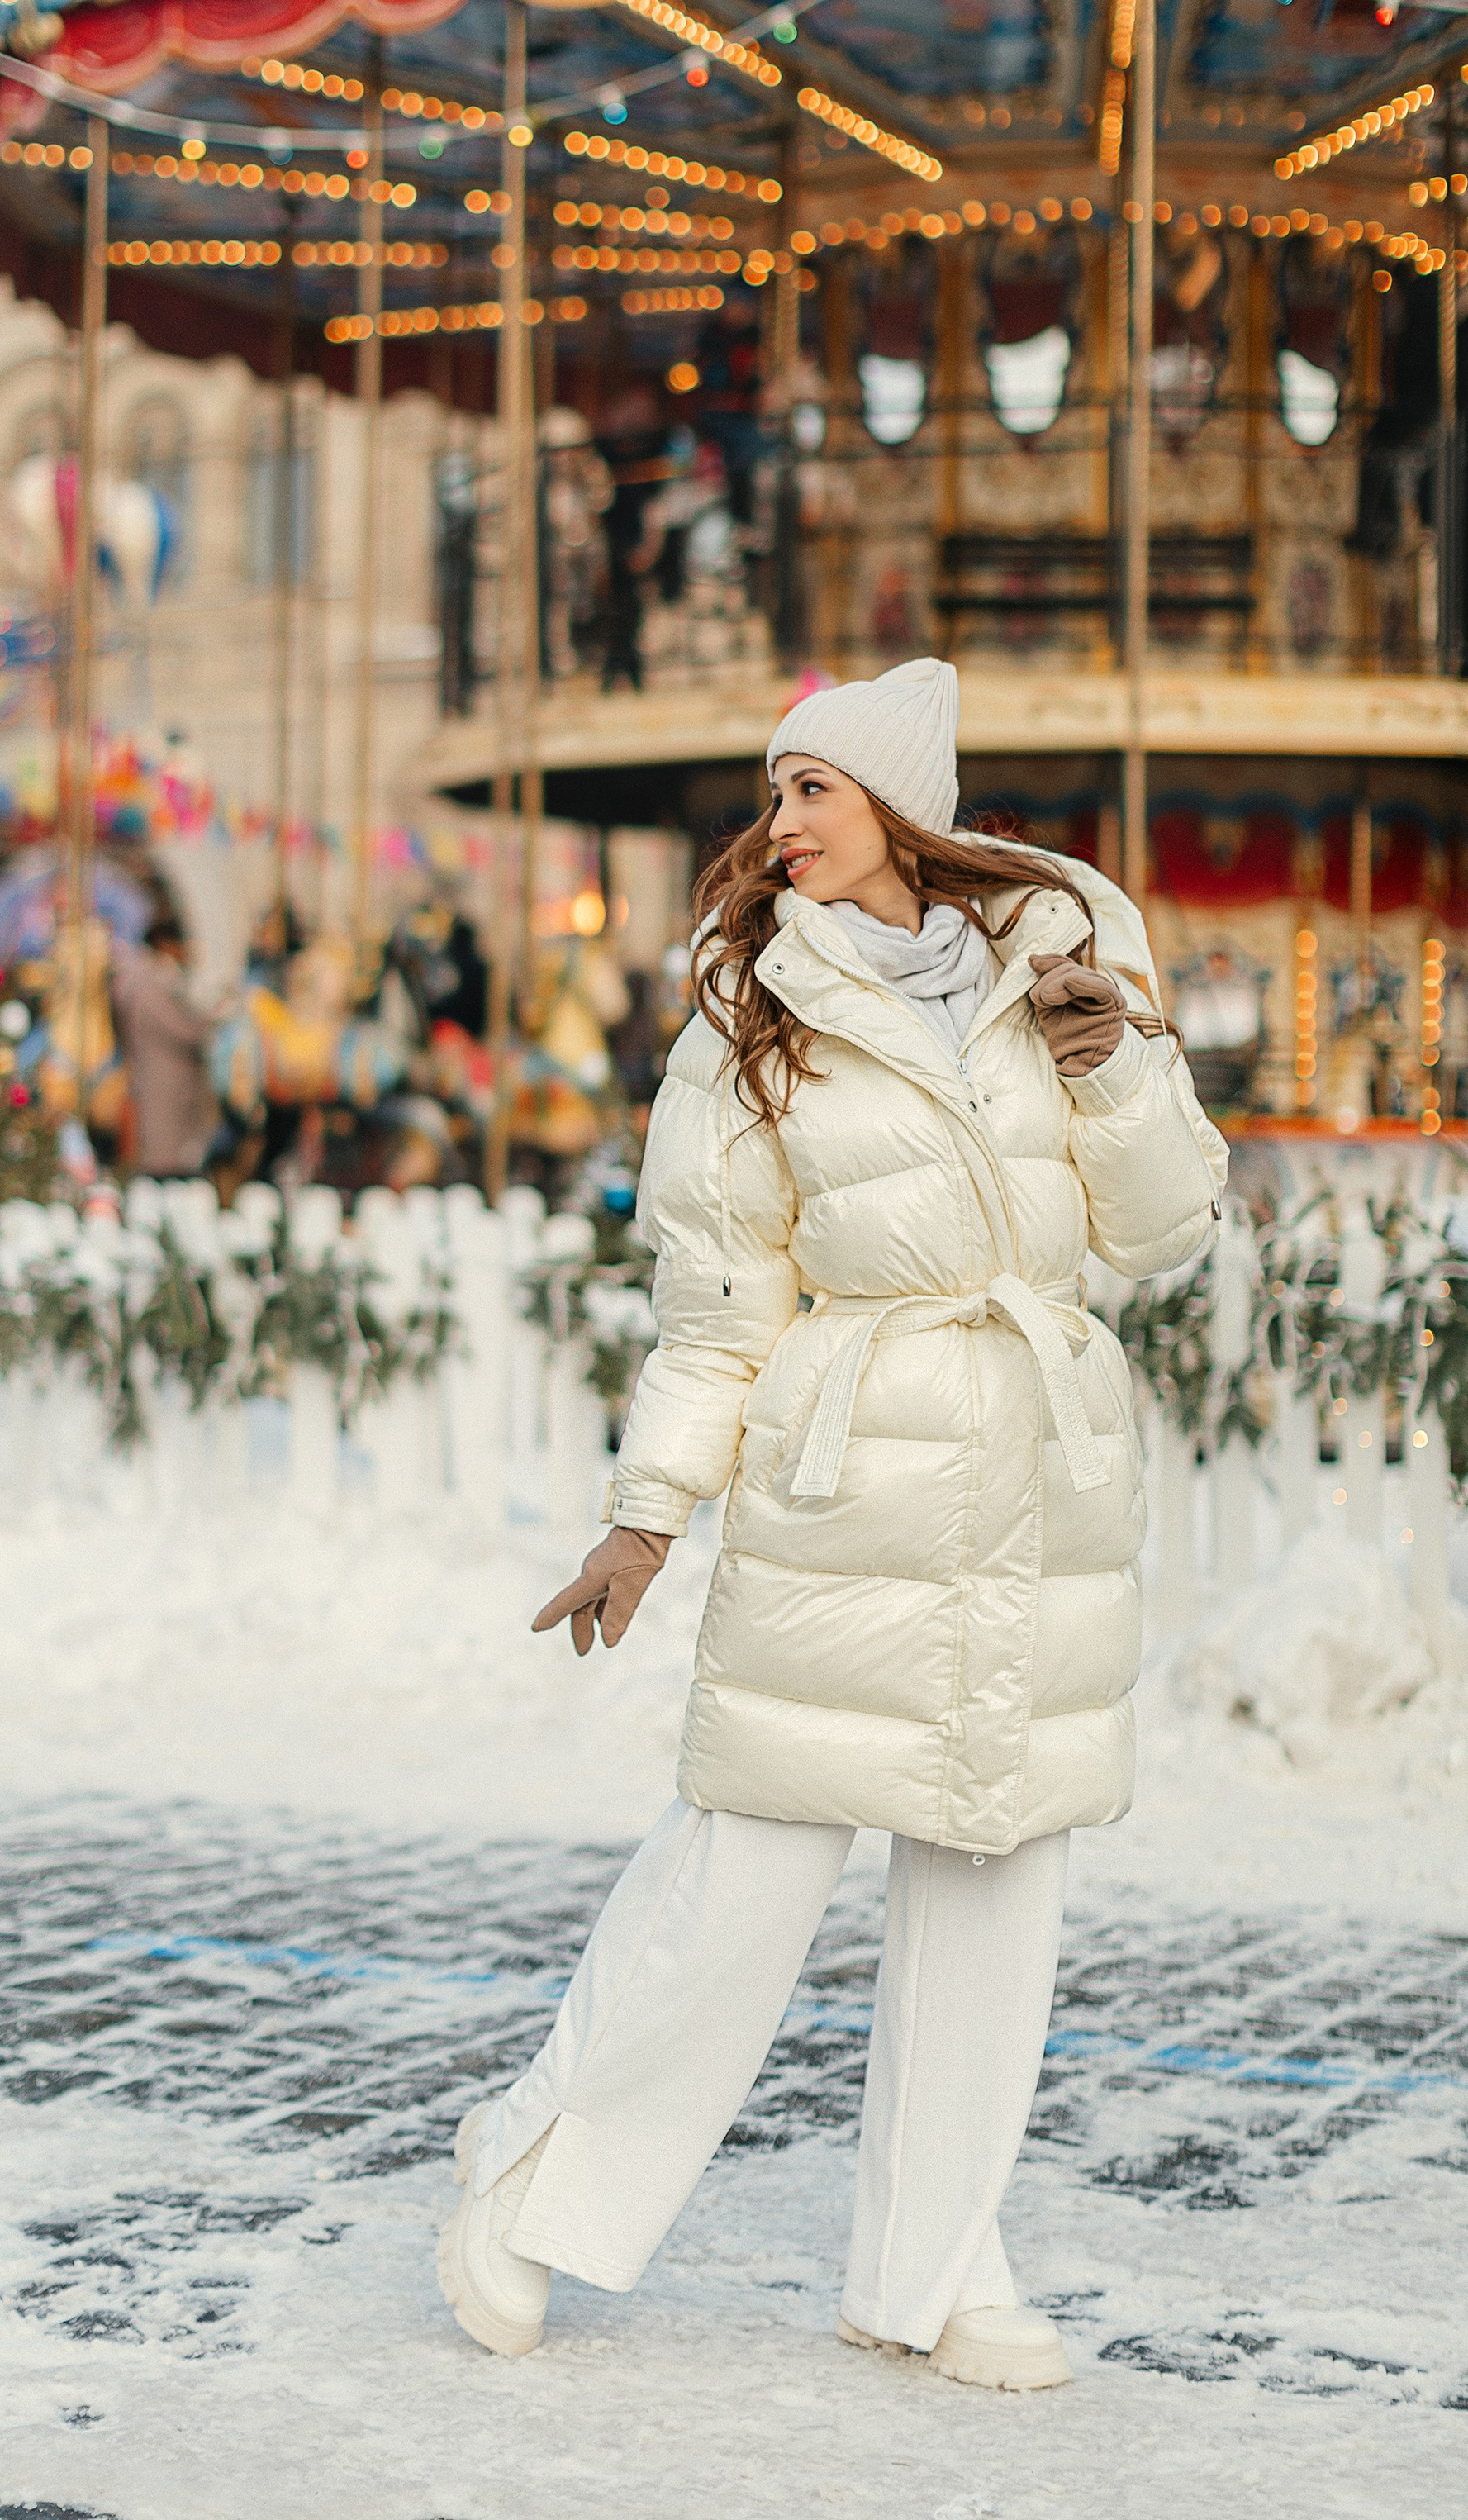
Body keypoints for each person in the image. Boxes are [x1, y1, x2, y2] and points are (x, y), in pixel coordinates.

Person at [437, 657, 1226, 2385]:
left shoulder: (1062, 954)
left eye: (805, 789)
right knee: (740, 1878)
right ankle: (522, 2181)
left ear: (894, 804)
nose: (773, 823)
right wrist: (645, 1516)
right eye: (772, 793)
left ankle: (934, 2271)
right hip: (845, 1470)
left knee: (992, 1882)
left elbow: (1159, 1231)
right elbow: (719, 1305)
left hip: (1028, 1471)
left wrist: (1114, 1072)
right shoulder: (750, 1015)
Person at [107, 908, 217, 1180]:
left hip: (150, 1073)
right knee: (167, 1160)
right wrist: (211, 1020)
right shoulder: (156, 983)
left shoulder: (134, 980)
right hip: (167, 1079)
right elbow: (184, 1030)